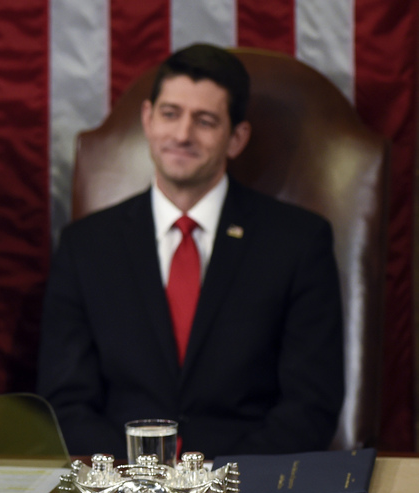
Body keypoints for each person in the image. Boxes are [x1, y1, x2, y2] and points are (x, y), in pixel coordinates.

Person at [37, 43, 344, 459]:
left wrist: (219, 482)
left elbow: (311, 405)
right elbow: (65, 403)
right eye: (170, 114)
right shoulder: (85, 246)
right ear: (147, 119)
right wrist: (141, 482)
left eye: (205, 121)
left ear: (236, 138)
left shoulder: (298, 242)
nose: (182, 135)